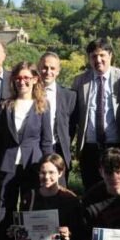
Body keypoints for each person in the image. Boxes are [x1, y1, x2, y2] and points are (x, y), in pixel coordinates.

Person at [0, 62, 53, 240]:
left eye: (26, 78)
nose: (22, 82)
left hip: (32, 166)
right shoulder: (4, 105)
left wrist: (50, 168)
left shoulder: (42, 106)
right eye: (18, 78)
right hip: (7, 165)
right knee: (4, 210)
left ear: (35, 79)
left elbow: (46, 141)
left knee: (29, 212)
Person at [71, 39, 120, 189]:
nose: (98, 60)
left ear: (110, 55)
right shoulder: (80, 81)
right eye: (94, 56)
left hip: (117, 146)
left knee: (117, 189)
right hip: (90, 147)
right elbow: (73, 115)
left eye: (102, 55)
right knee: (91, 190)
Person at [38, 52, 77, 186]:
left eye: (52, 68)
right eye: (45, 67)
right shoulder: (28, 92)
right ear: (39, 68)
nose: (48, 72)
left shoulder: (70, 96)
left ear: (58, 71)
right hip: (35, 150)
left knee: (60, 191)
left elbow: (71, 126)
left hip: (59, 151)